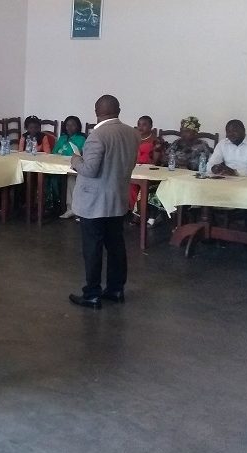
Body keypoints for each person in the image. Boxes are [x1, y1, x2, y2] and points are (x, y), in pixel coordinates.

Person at [69, 95, 140, 309]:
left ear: (96, 111)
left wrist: (76, 160)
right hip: (117, 198)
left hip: (94, 203)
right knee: (116, 246)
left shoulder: (97, 136)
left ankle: (92, 294)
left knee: (93, 248)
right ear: (119, 110)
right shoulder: (132, 133)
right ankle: (116, 290)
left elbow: (90, 170)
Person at [128, 116, 165, 213]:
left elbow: (156, 162)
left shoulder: (156, 141)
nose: (140, 127)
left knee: (133, 185)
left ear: (151, 126)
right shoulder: (133, 139)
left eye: (144, 124)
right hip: (133, 168)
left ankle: (136, 212)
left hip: (148, 171)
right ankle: (127, 210)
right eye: (139, 124)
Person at [54, 116, 88, 219]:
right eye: (67, 125)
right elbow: (54, 152)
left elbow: (76, 154)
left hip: (74, 167)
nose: (70, 127)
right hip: (58, 165)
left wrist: (62, 152)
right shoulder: (62, 137)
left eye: (73, 125)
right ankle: (51, 204)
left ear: (78, 126)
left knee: (71, 178)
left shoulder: (81, 138)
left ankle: (73, 209)